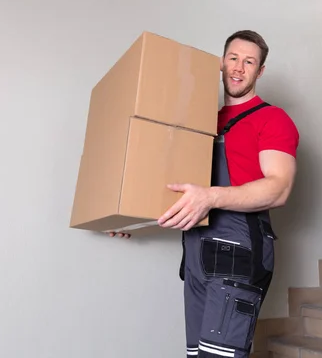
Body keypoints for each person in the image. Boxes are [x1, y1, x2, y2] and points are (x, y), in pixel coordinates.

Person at [110, 30, 300, 356]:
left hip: (239, 252)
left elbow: (279, 188)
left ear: (260, 70)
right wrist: (133, 218)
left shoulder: (272, 119)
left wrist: (211, 197)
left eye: (249, 62)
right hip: (197, 256)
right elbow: (183, 193)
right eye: (233, 58)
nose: (239, 68)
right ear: (221, 63)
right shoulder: (201, 124)